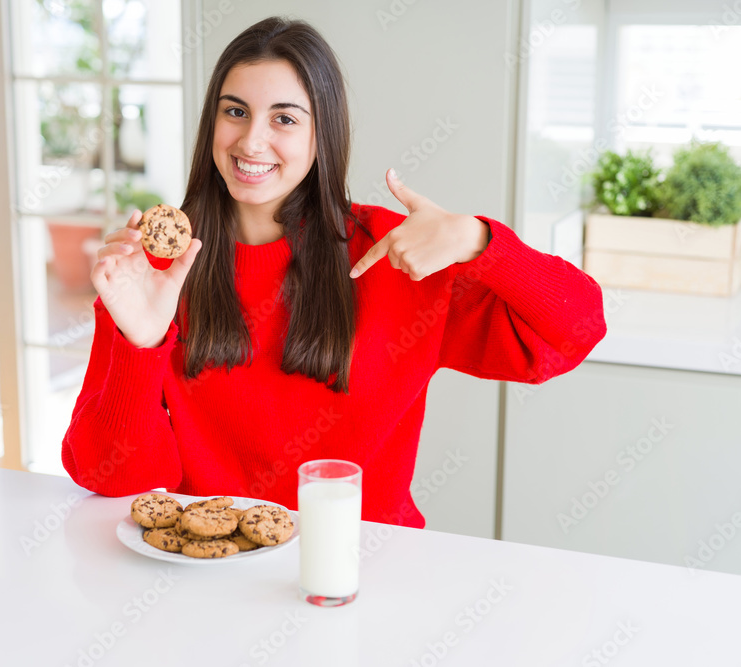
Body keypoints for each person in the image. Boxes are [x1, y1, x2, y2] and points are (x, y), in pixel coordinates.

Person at [62, 16, 606, 528]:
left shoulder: (398, 253)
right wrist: (139, 340)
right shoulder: (156, 272)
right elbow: (110, 475)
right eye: (235, 112)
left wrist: (478, 241)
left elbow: (577, 330)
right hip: (210, 574)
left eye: (284, 119)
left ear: (324, 133)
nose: (251, 141)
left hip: (361, 576)